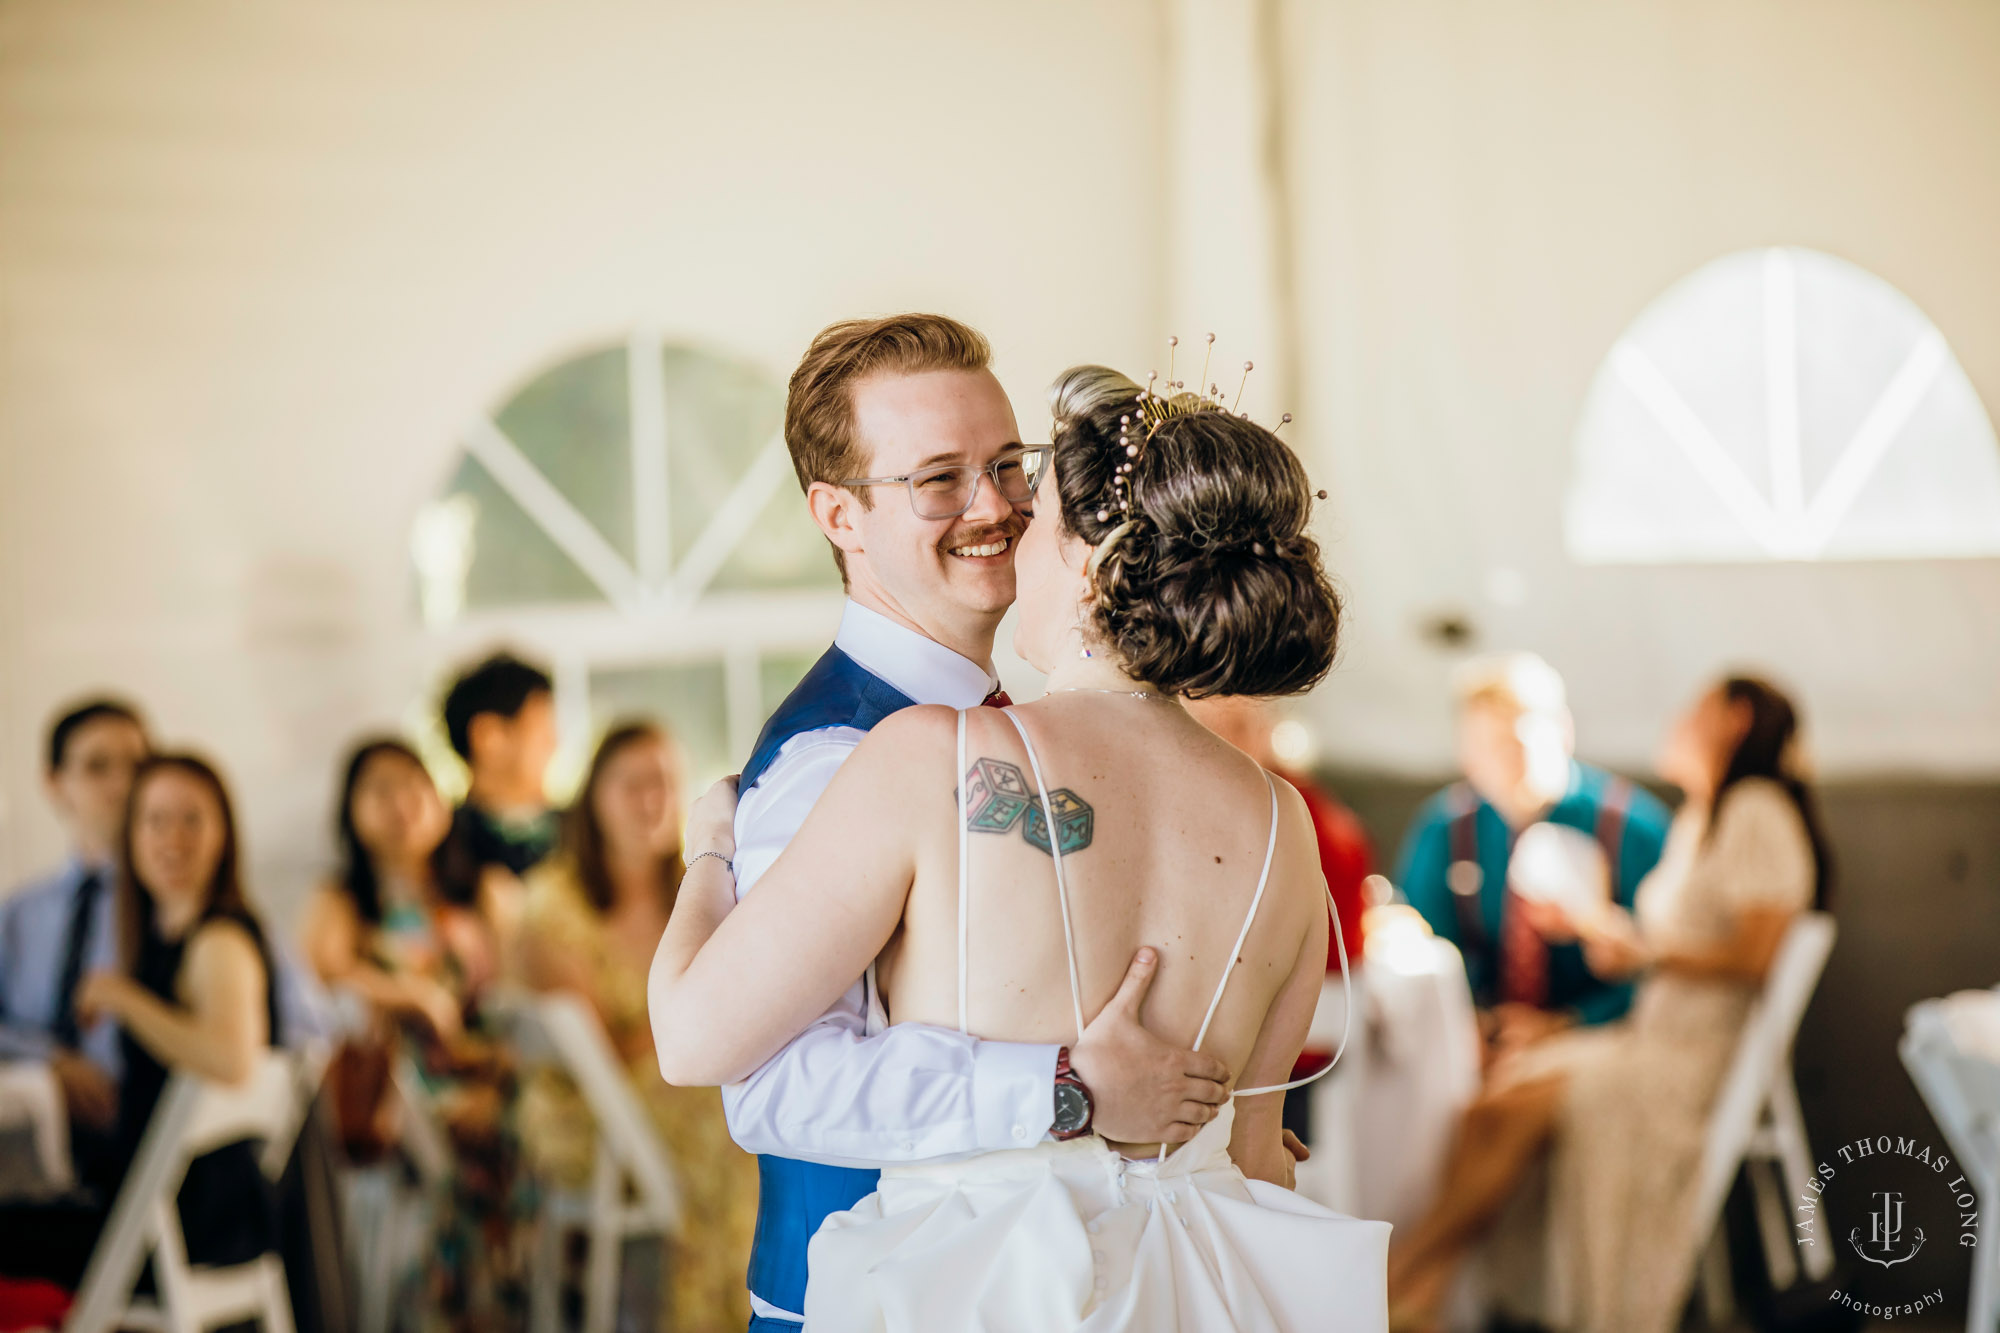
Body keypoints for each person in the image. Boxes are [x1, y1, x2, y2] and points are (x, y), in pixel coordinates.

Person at [652, 361, 1390, 1330]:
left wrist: (708, 850)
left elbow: (691, 1037)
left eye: (1027, 503)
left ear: (1087, 559)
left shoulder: (928, 759)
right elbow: (1254, 1156)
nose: (1005, 527)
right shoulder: (1280, 821)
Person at [1384, 675, 1831, 1333]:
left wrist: (1641, 955)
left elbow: (1754, 954)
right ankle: (1420, 1291)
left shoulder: (1753, 808)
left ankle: (1391, 1282)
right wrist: (1607, 935)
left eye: (1693, 707)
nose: (1674, 720)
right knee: (1491, 1104)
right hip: (1649, 1036)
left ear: (1734, 719)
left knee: (1507, 1106)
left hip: (1689, 1054)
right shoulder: (1704, 814)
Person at [0, 754, 283, 1287]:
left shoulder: (218, 941)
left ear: (224, 833)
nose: (172, 838)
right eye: (154, 820)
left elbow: (231, 1059)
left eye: (191, 819)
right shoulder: (162, 936)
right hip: (168, 1216)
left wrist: (122, 998)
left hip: (180, 1228)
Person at [517, 722, 758, 1333]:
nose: (651, 799)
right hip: (595, 1110)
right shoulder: (555, 902)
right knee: (733, 1119)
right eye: (631, 784)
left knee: (750, 1102)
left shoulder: (697, 889)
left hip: (666, 1089)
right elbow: (602, 1052)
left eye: (664, 783)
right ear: (593, 797)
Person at [301, 736, 527, 1330]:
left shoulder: (482, 891)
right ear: (351, 808)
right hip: (396, 1093)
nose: (401, 802)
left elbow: (516, 994)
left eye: (414, 785)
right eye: (379, 788)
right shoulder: (343, 899)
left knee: (522, 1132)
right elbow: (322, 975)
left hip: (483, 1078)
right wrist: (414, 995)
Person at [1394, 654, 1670, 1062]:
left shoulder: (1634, 831)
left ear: (1564, 733)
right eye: (1485, 746)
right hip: (1475, 1042)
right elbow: (1422, 939)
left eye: (1518, 744)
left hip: (1602, 1042)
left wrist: (1567, 1026)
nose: (1503, 763)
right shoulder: (1445, 830)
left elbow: (1665, 965)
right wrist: (1473, 1023)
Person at [0, 699, 150, 1176]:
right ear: (55, 784)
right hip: (29, 1151)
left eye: (137, 766)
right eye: (97, 767)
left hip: (142, 1148)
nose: (121, 785)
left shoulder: (177, 912)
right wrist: (51, 1063)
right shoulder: (19, 914)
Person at [436, 653, 561, 951]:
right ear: (488, 736)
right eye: (542, 729)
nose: (555, 743)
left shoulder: (582, 830)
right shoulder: (442, 846)